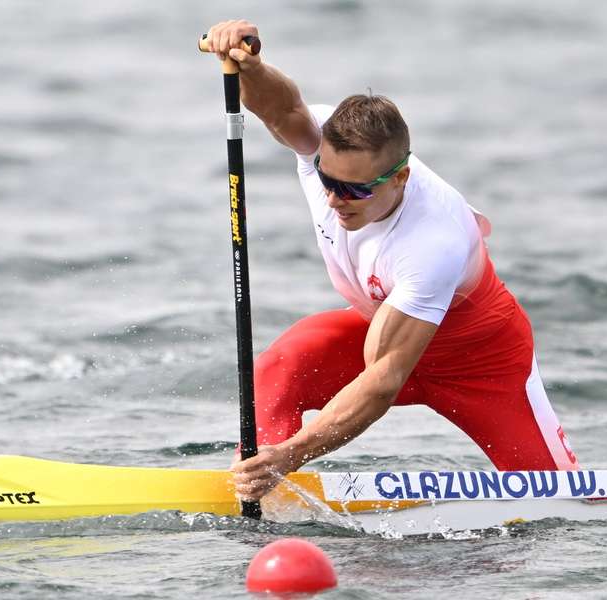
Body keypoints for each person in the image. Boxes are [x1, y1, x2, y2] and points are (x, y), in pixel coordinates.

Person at [202, 20, 580, 502]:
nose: (337, 199)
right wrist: (250, 66)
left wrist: (294, 453)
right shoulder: (325, 150)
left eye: (356, 189)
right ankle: (258, 485)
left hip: (480, 361)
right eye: (328, 182)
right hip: (382, 328)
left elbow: (382, 382)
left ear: (400, 179)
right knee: (283, 363)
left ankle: (276, 464)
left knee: (563, 499)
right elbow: (284, 108)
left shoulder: (432, 241)